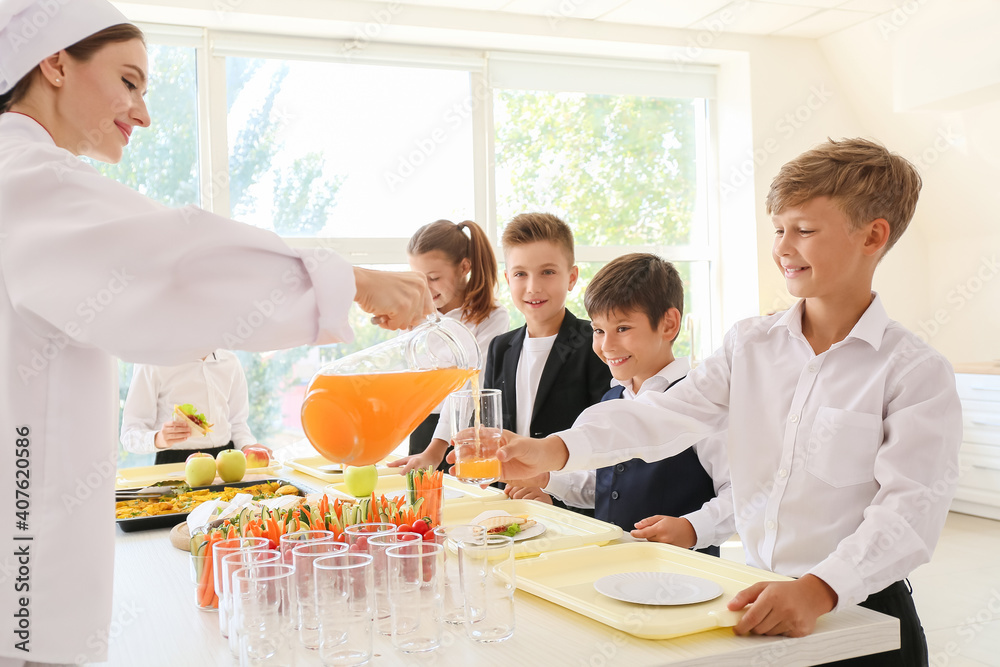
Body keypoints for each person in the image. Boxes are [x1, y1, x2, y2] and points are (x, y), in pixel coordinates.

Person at [0, 2, 433, 664]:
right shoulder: (28, 179)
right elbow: (177, 264)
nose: (143, 112)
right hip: (25, 586)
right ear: (55, 62)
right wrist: (353, 281)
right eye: (128, 81)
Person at [489, 139, 962, 665]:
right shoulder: (749, 345)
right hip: (755, 601)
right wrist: (552, 450)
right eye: (778, 229)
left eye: (804, 230)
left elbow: (909, 512)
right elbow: (664, 414)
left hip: (860, 613)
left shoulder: (915, 372)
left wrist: (819, 589)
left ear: (873, 235)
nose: (783, 246)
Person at [504, 253, 735, 555]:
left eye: (622, 329)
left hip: (686, 580)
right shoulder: (612, 399)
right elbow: (602, 487)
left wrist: (693, 528)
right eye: (598, 330)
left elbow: (741, 494)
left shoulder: (703, 405)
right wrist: (547, 478)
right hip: (613, 571)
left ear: (668, 324)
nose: (606, 345)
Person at [392, 219, 509, 469]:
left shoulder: (492, 317)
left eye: (433, 278)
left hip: (465, 430)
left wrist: (437, 448)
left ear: (464, 267)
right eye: (418, 278)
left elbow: (468, 383)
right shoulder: (416, 314)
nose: (425, 287)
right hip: (422, 428)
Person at [120, 350, 270, 465]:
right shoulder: (153, 363)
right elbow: (129, 435)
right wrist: (158, 439)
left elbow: (237, 423)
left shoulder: (230, 362)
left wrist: (247, 446)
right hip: (175, 463)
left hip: (227, 460)